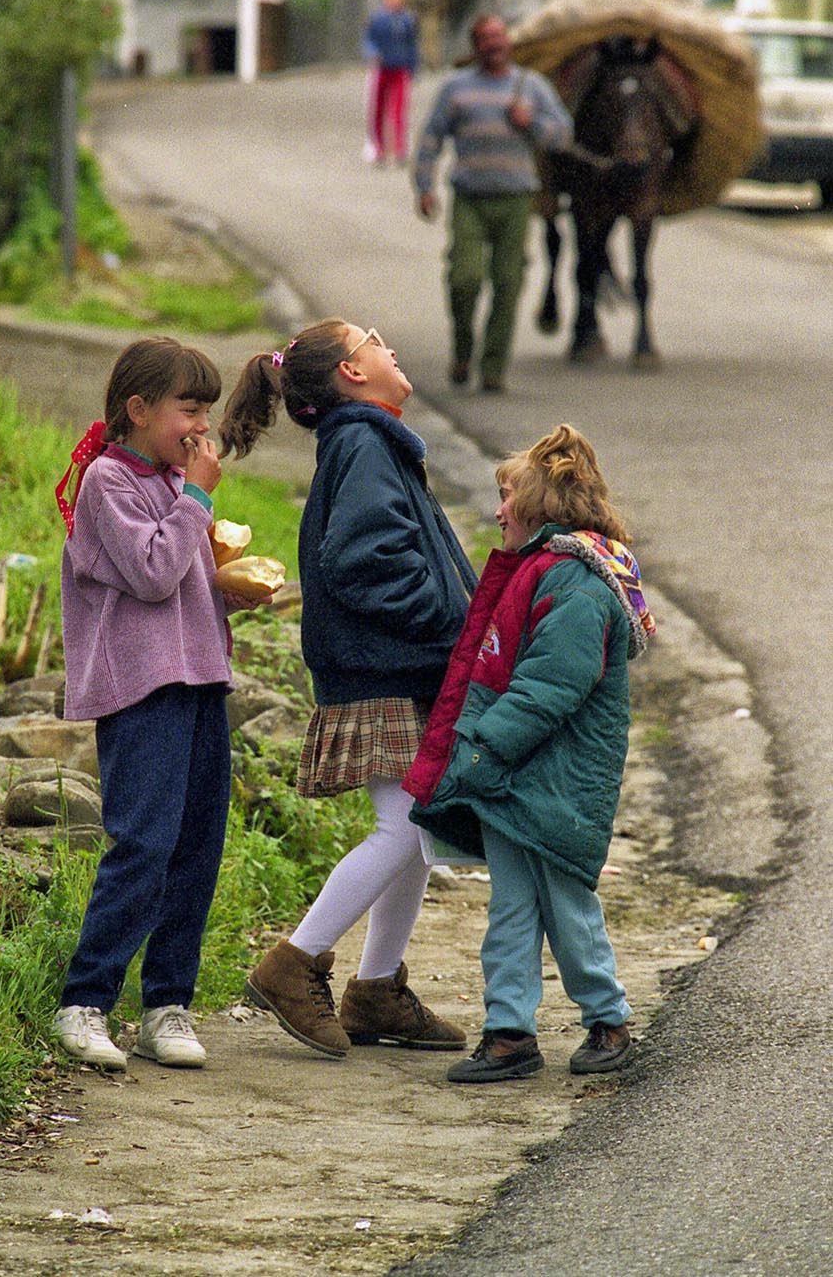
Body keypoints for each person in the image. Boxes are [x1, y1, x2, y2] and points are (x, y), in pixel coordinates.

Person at [218, 320, 477, 1059]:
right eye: (373, 339)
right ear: (350, 373)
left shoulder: (368, 438)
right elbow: (363, 557)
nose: (389, 345)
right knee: (406, 827)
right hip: (384, 668)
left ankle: (376, 991)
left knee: (418, 831)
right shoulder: (364, 443)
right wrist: (443, 614)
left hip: (394, 664)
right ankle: (293, 963)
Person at [403, 424, 656, 1084]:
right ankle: (509, 1029)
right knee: (511, 909)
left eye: (507, 495)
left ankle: (609, 1018)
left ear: (541, 507)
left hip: (552, 776)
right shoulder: (543, 570)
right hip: (517, 779)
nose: (496, 510)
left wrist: (483, 747)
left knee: (568, 908)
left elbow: (551, 687)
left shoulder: (574, 583)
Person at [52, 336, 272, 1073]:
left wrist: (227, 586)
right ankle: (85, 1000)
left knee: (197, 844)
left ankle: (165, 1004)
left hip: (199, 680)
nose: (201, 426)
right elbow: (151, 573)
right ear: (138, 409)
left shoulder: (172, 482)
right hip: (143, 689)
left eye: (207, 410)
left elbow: (180, 577)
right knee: (142, 842)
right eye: (189, 409)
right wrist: (199, 497)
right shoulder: (107, 484)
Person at [414, 14, 572, 393]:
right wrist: (424, 185)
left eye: (499, 36)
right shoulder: (456, 88)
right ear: (475, 45)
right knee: (464, 277)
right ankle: (463, 350)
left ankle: (494, 366)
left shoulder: (531, 87)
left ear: (509, 42)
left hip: (516, 198)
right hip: (469, 197)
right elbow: (431, 137)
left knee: (508, 281)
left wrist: (531, 122)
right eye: (485, 37)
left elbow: (562, 135)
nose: (494, 43)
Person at [362, 0, 420, 164]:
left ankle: (399, 147)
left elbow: (412, 45)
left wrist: (413, 67)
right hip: (382, 68)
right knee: (378, 109)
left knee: (399, 110)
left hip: (400, 68)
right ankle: (378, 147)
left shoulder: (408, 20)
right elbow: (368, 40)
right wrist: (372, 54)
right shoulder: (377, 19)